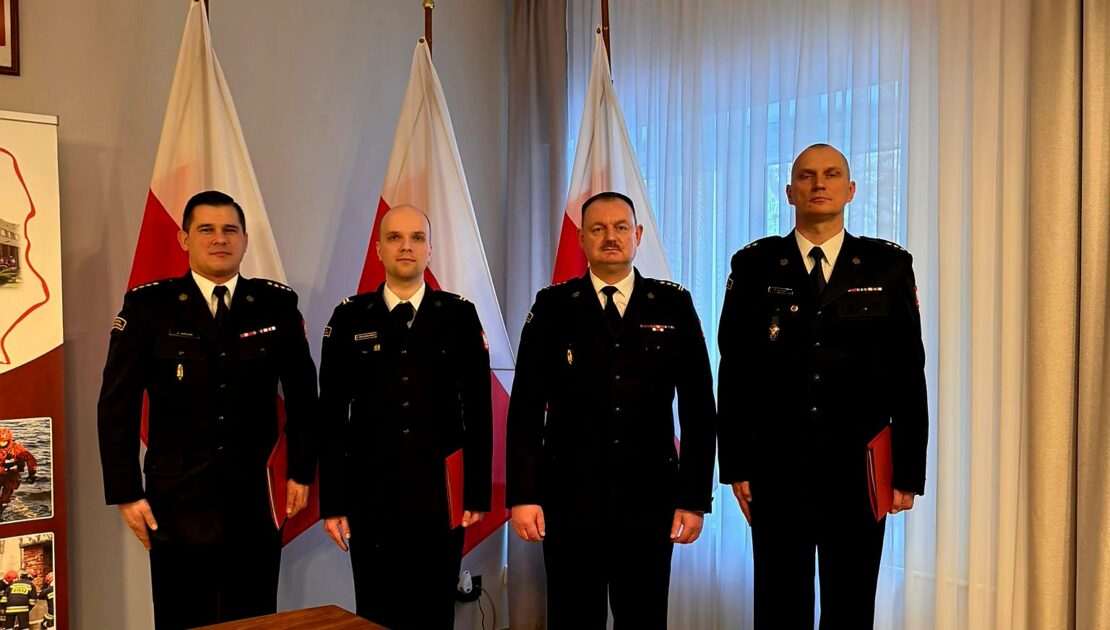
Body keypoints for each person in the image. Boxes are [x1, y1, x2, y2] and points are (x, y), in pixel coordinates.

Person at [717, 144, 929, 627]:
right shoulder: (754, 265)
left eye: (831, 175)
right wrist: (737, 463)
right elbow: (735, 371)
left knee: (850, 607)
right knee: (779, 607)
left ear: (850, 190)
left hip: (860, 469)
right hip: (776, 465)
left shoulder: (887, 266)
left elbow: (907, 373)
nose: (819, 184)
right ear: (789, 192)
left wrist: (908, 470)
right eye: (806, 176)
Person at [97, 190, 318, 629]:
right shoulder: (148, 306)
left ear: (245, 240)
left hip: (255, 499)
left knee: (254, 618)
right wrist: (126, 492)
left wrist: (301, 472)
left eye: (230, 230)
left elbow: (303, 395)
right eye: (207, 230)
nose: (220, 239)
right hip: (176, 500)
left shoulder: (275, 304)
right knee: (181, 617)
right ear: (184, 239)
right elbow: (117, 405)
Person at [506, 191, 716, 629]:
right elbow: (525, 406)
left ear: (637, 235)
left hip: (649, 498)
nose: (610, 237)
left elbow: (698, 407)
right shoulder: (552, 307)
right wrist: (524, 495)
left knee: (643, 619)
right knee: (572, 618)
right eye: (598, 229)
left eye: (620, 227)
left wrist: (694, 498)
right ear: (581, 238)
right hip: (569, 498)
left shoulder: (672, 304)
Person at [318, 205, 492, 629]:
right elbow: (332, 416)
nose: (406, 246)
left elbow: (478, 408)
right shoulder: (350, 316)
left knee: (434, 611)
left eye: (417, 238)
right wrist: (333, 502)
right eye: (395, 237)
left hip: (440, 493)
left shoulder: (459, 315)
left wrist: (476, 492)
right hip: (370, 493)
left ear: (430, 249)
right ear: (379, 249)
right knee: (375, 611)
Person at [0, 428, 37, 518]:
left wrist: (32, 474)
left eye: (4, 441)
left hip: (11, 476)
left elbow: (30, 459)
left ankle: (1, 511)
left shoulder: (17, 448)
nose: (1, 444)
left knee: (5, 496)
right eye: (0, 441)